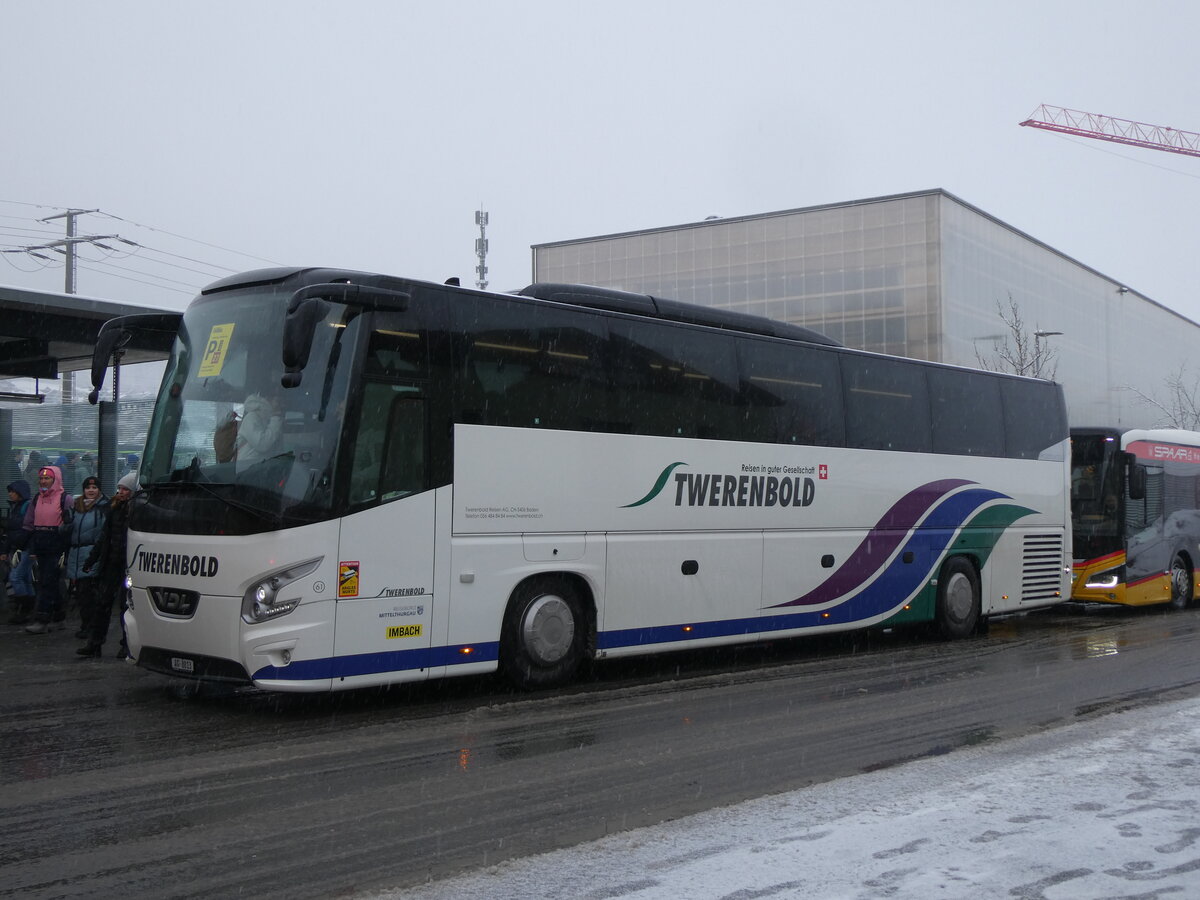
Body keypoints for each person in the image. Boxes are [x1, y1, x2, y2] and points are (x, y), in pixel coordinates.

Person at [81, 471, 136, 658]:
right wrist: (92, 559)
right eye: (119, 488)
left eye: (125, 489)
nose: (120, 492)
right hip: (115, 563)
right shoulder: (116, 510)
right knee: (106, 604)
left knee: (123, 606)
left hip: (124, 565)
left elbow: (105, 538)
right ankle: (97, 643)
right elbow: (105, 538)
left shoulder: (128, 511)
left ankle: (123, 644)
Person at [22, 465, 73, 634]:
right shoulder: (36, 498)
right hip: (40, 540)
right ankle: (59, 617)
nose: (44, 481)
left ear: (55, 480)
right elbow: (29, 523)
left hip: (56, 542)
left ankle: (42, 619)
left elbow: (70, 524)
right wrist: (21, 545)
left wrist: (65, 549)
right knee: (48, 581)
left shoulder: (65, 498)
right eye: (41, 478)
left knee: (47, 582)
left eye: (47, 478)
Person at [63, 476, 108, 649]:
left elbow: (103, 533)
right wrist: (65, 526)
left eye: (94, 487)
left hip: (91, 552)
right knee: (82, 594)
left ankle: (91, 627)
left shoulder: (103, 508)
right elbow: (66, 531)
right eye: (88, 488)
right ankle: (86, 624)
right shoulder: (76, 507)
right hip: (76, 553)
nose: (91, 490)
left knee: (89, 593)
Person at [2, 479, 34, 625]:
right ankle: (29, 607)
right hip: (21, 548)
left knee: (16, 577)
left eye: (12, 491)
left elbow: (21, 529)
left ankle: (25, 608)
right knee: (24, 578)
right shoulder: (18, 507)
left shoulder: (24, 507)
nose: (10, 494)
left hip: (24, 548)